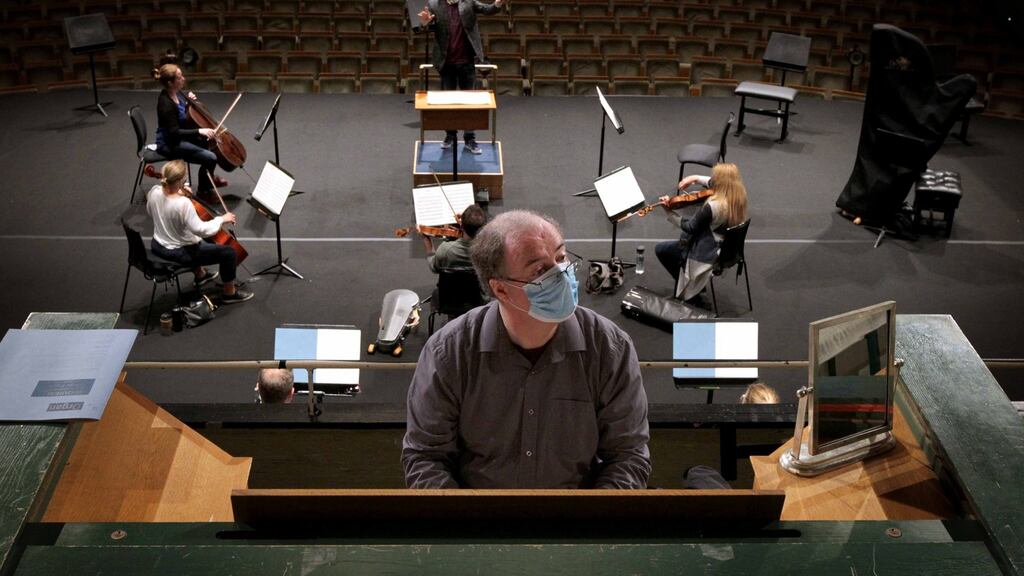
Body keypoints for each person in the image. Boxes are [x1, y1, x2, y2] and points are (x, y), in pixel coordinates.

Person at [402, 210, 651, 489]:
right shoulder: (447, 353)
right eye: (541, 270)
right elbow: (426, 457)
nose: (562, 275)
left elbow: (628, 456)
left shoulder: (610, 348)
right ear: (501, 290)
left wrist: (589, 523)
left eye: (561, 258)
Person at [146, 160, 254, 304]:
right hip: (178, 252)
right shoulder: (183, 204)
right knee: (229, 253)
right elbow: (202, 230)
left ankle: (200, 274)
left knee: (190, 237)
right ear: (179, 181)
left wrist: (180, 192)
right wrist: (221, 219)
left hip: (158, 245)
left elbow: (150, 211)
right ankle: (229, 293)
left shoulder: (154, 192)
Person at [417, 0, 504, 154]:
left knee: (469, 103)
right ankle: (450, 135)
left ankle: (470, 138)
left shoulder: (468, 2)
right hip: (446, 61)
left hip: (467, 61)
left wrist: (497, 4)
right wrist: (424, 23)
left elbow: (487, 9)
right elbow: (426, 28)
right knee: (447, 103)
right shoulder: (434, 4)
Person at [655, 162, 748, 302]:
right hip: (726, 250)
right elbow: (711, 182)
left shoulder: (713, 206)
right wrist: (694, 178)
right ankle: (695, 287)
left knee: (662, 250)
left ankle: (691, 291)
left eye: (715, 178)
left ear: (719, 182)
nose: (711, 180)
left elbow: (690, 227)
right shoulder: (738, 196)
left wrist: (668, 211)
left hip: (705, 253)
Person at [152, 62, 226, 202]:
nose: (183, 79)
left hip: (178, 138)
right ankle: (204, 192)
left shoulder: (176, 93)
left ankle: (207, 181)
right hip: (169, 144)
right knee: (210, 157)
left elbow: (181, 116)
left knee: (207, 143)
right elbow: (174, 133)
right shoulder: (165, 104)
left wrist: (188, 104)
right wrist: (199, 130)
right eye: (179, 78)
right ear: (170, 82)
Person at [423, 203, 488, 272]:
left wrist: (425, 238)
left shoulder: (446, 250)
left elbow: (434, 267)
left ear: (462, 227)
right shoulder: (490, 251)